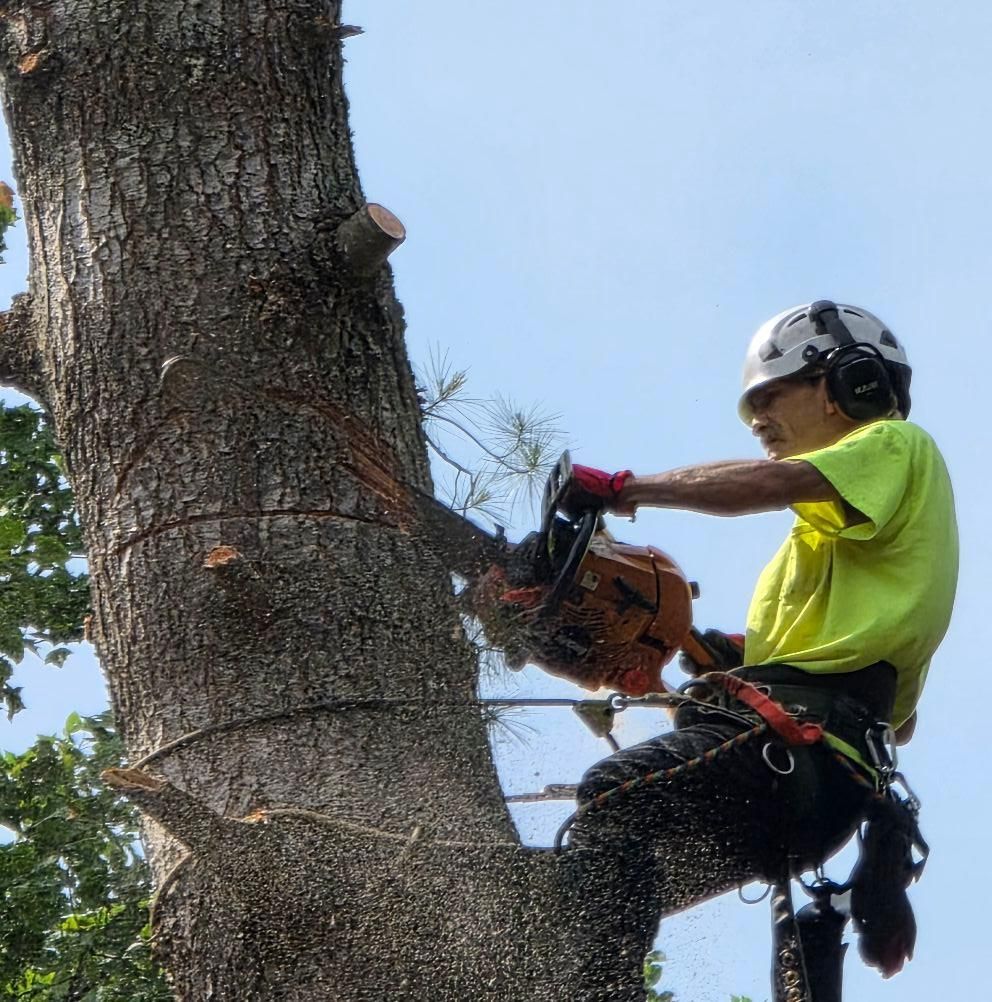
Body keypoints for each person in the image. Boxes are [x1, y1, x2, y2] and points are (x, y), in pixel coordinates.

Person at [562, 300, 958, 1002]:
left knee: (612, 795)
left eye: (771, 395)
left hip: (793, 760)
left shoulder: (898, 445)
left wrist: (626, 490)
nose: (757, 420)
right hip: (817, 798)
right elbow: (899, 720)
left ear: (847, 387)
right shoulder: (842, 550)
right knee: (597, 893)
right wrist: (737, 666)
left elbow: (766, 484)